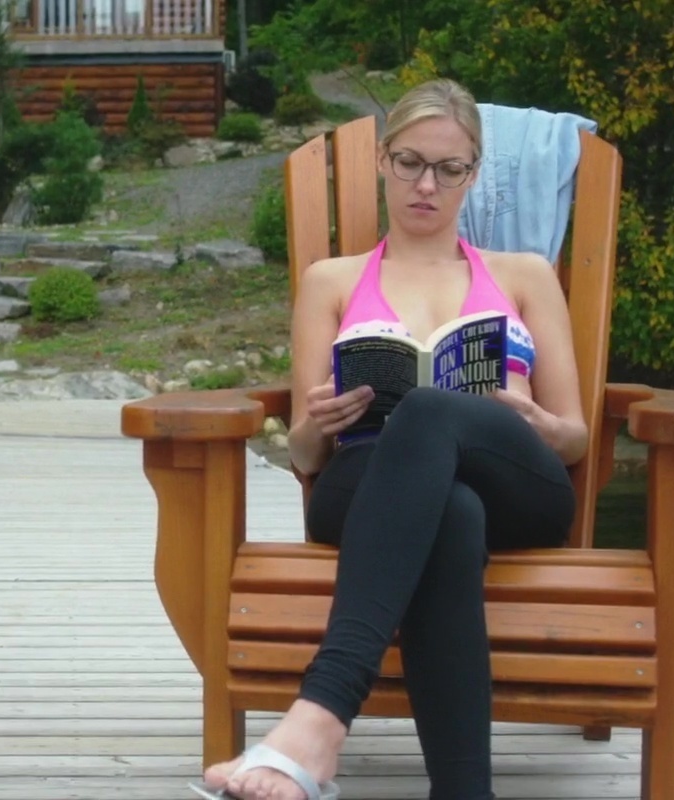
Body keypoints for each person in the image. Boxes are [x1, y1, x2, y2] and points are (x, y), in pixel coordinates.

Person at [192, 79, 589, 800]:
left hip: (515, 484)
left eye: (449, 169)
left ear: (474, 174)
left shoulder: (524, 276)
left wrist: (536, 422)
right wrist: (318, 423)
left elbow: (575, 438)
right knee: (451, 511)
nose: (426, 185)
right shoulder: (331, 282)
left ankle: (320, 717)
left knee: (431, 412)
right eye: (409, 163)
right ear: (382, 160)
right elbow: (305, 456)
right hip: (366, 480)